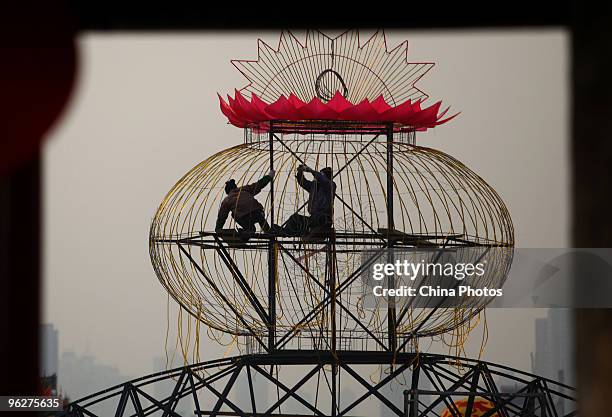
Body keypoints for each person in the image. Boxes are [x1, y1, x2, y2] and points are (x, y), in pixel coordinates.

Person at [285, 164, 336, 236]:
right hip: (313, 218)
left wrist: (310, 170)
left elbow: (322, 179)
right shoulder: (314, 186)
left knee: (315, 221)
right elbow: (303, 183)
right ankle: (285, 231)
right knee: (294, 218)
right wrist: (300, 173)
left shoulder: (330, 185)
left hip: (323, 219)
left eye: (321, 175)